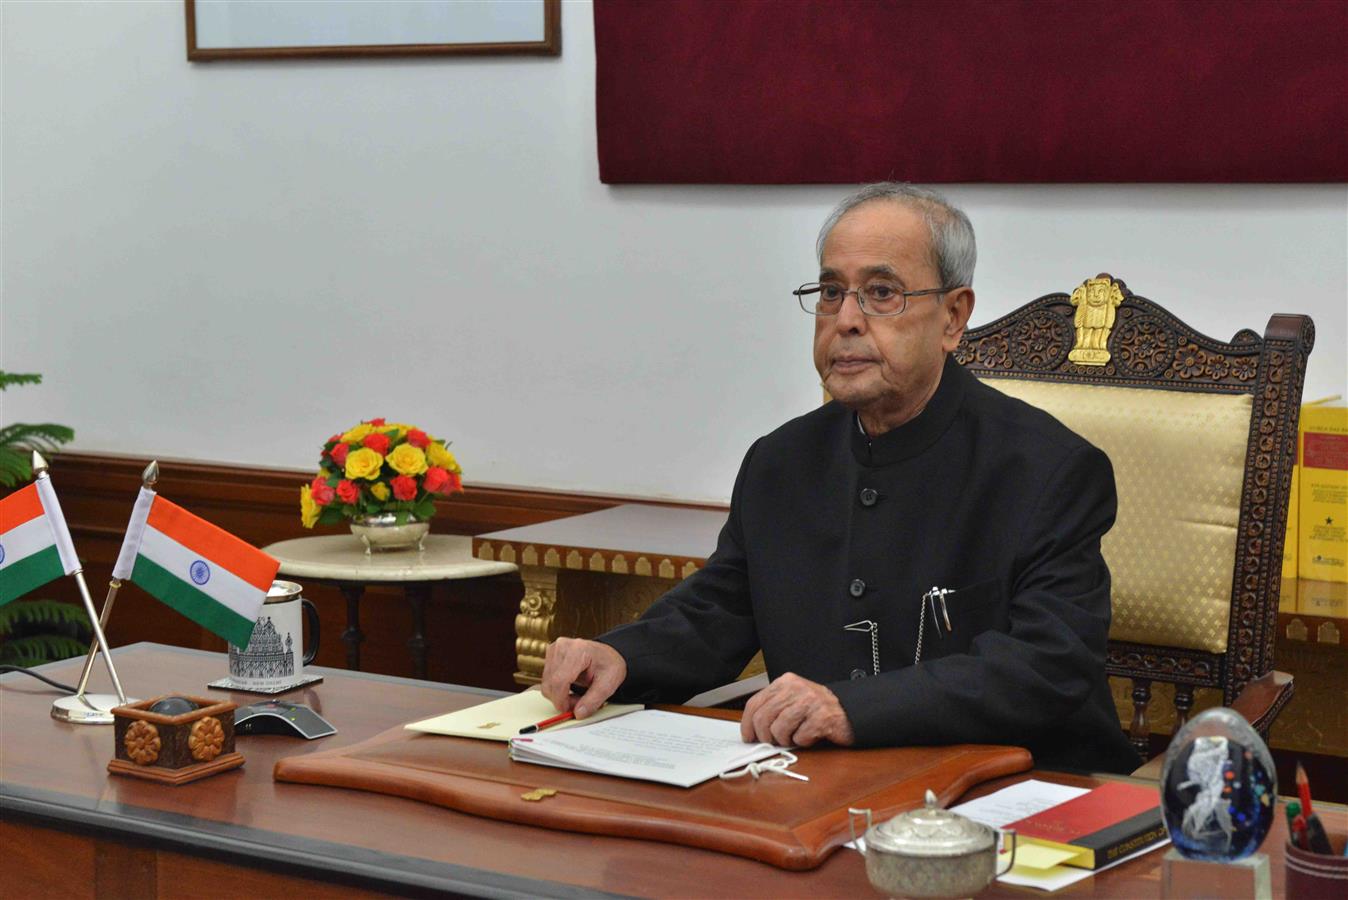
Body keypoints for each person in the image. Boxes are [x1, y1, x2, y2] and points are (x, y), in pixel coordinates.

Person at [541, 183, 1141, 774]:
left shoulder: (1049, 469)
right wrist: (621, 654)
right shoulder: (780, 461)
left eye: (882, 293)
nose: (847, 319)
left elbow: (1046, 665)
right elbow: (719, 611)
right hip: (821, 788)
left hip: (1021, 789)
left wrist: (851, 708)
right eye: (831, 292)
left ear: (953, 318)